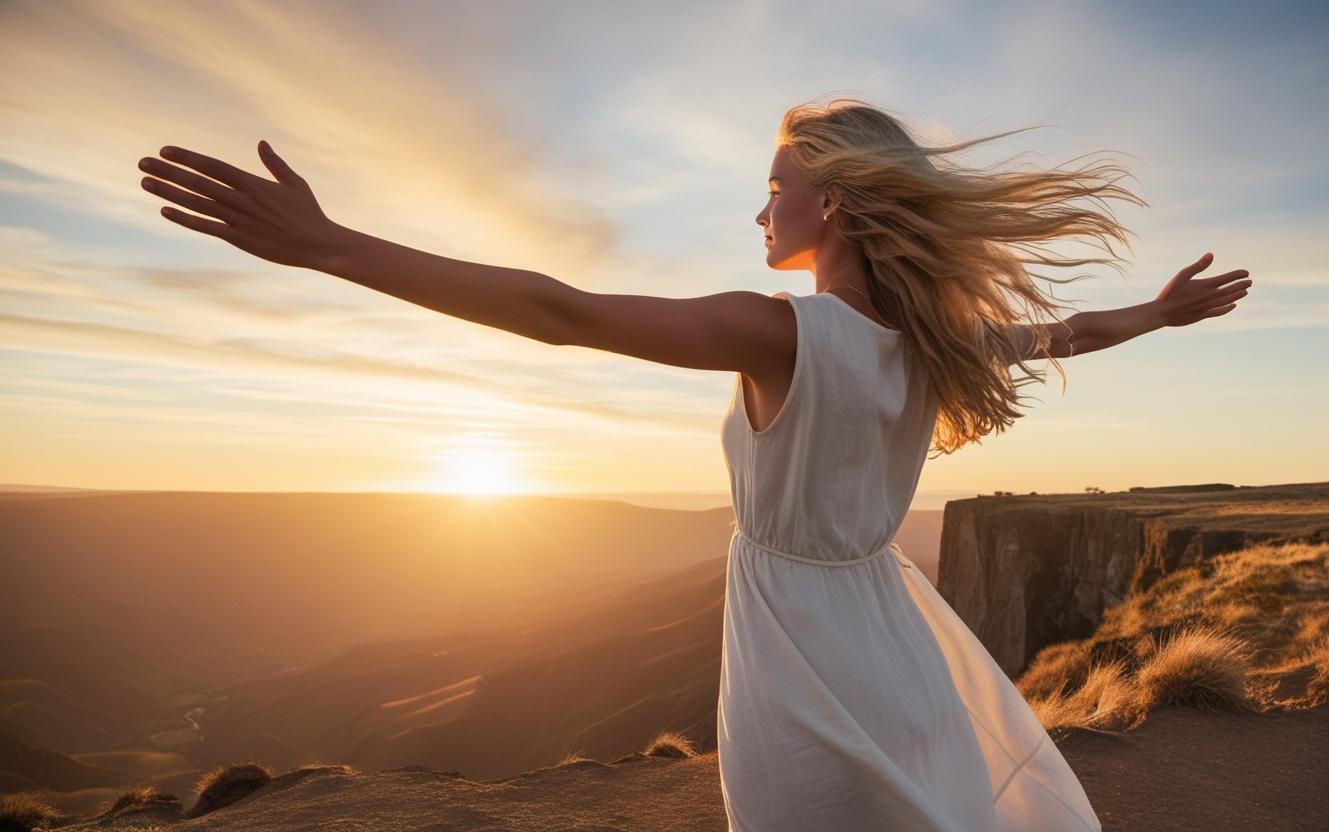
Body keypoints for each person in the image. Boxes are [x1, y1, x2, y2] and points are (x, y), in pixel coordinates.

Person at [136, 97, 1250, 831]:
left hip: (800, 655)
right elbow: (1065, 335)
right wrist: (1155, 313)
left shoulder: (779, 332)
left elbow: (559, 312)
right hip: (894, 637)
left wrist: (334, 247)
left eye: (774, 185)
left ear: (832, 202)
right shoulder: (934, 340)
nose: (759, 206)